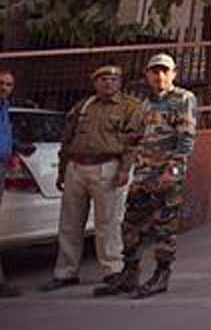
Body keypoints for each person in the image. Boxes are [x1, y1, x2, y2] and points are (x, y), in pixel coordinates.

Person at [95, 53, 197, 298]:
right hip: (143, 175)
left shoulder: (183, 99)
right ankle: (130, 273)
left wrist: (172, 170)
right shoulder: (145, 104)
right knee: (130, 225)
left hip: (166, 175)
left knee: (164, 227)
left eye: (164, 71)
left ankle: (161, 274)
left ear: (173, 74)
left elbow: (186, 138)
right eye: (155, 71)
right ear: (147, 75)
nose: (159, 76)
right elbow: (139, 137)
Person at [42, 65, 143, 292]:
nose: (108, 83)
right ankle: (66, 272)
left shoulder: (130, 107)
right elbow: (68, 138)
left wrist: (125, 169)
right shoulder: (84, 106)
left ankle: (113, 269)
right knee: (70, 223)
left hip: (108, 166)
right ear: (95, 82)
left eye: (113, 79)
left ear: (120, 83)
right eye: (103, 79)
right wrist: (62, 170)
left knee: (108, 222)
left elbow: (133, 142)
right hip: (77, 166)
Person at [0, 68, 36, 297]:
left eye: (8, 84)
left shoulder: (4, 107)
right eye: (1, 83)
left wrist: (13, 150)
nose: (4, 88)